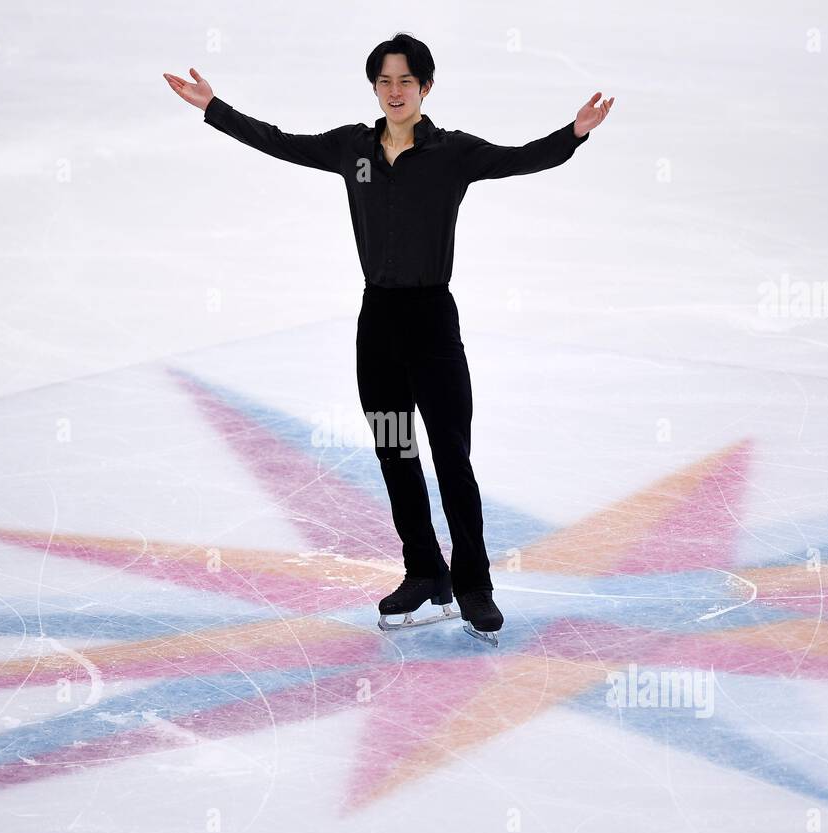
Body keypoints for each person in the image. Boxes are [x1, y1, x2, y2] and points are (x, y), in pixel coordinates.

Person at [164, 33, 614, 644]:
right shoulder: (354, 147)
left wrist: (575, 133)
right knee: (396, 452)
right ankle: (425, 572)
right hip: (377, 324)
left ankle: (473, 584)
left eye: (406, 81)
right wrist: (214, 109)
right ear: (374, 87)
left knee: (451, 457)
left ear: (426, 87)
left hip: (432, 321)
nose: (395, 91)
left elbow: (521, 157)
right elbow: (281, 143)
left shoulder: (454, 154)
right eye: (384, 81)